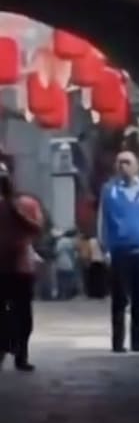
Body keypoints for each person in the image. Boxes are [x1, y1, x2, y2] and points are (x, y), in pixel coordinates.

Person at [98, 151, 139, 353]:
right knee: (119, 299)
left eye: (127, 162)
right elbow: (103, 221)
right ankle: (117, 342)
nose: (122, 166)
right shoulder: (110, 190)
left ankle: (137, 340)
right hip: (119, 252)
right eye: (119, 163)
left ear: (136, 166)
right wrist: (105, 248)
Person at [0, 155, 44, 371]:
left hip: (20, 266)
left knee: (23, 313)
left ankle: (21, 353)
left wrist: (16, 211)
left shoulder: (26, 204)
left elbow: (37, 228)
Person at [54, 229, 79, 300]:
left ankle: (61, 294)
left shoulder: (60, 241)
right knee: (68, 280)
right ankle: (68, 295)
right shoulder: (71, 242)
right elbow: (74, 252)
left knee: (61, 280)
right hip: (69, 263)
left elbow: (56, 251)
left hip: (60, 262)